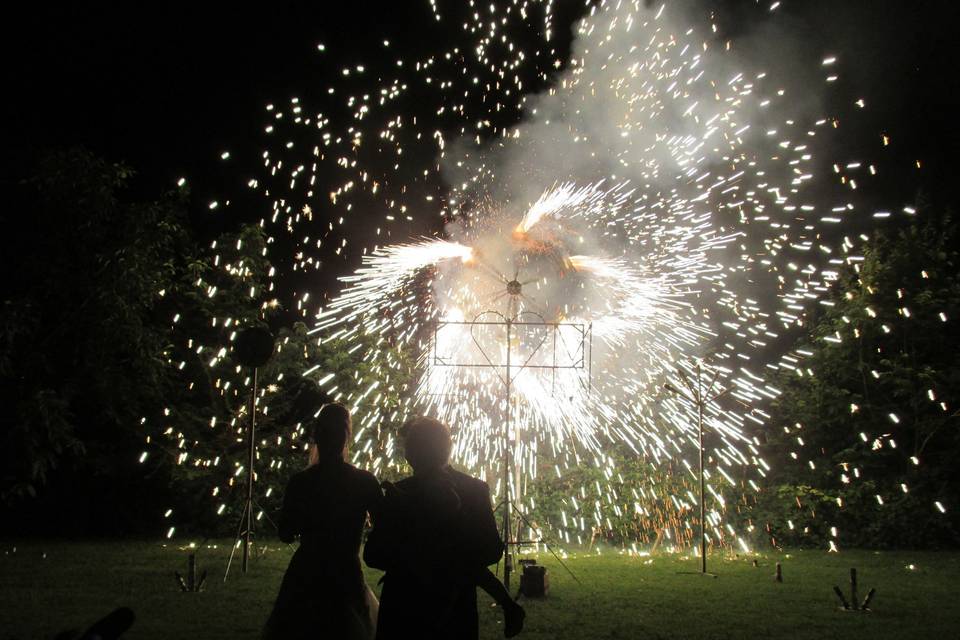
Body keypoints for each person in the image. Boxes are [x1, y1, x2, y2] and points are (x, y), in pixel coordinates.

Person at [364, 416, 525, 639]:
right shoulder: (474, 489)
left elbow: (373, 555)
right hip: (454, 612)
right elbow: (491, 551)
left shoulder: (400, 493)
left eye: (410, 445)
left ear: (413, 453)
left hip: (404, 608)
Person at [262, 403, 382, 640]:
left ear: (317, 435)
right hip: (345, 572)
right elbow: (386, 524)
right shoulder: (364, 481)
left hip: (307, 572)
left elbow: (286, 533)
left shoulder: (301, 482)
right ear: (347, 436)